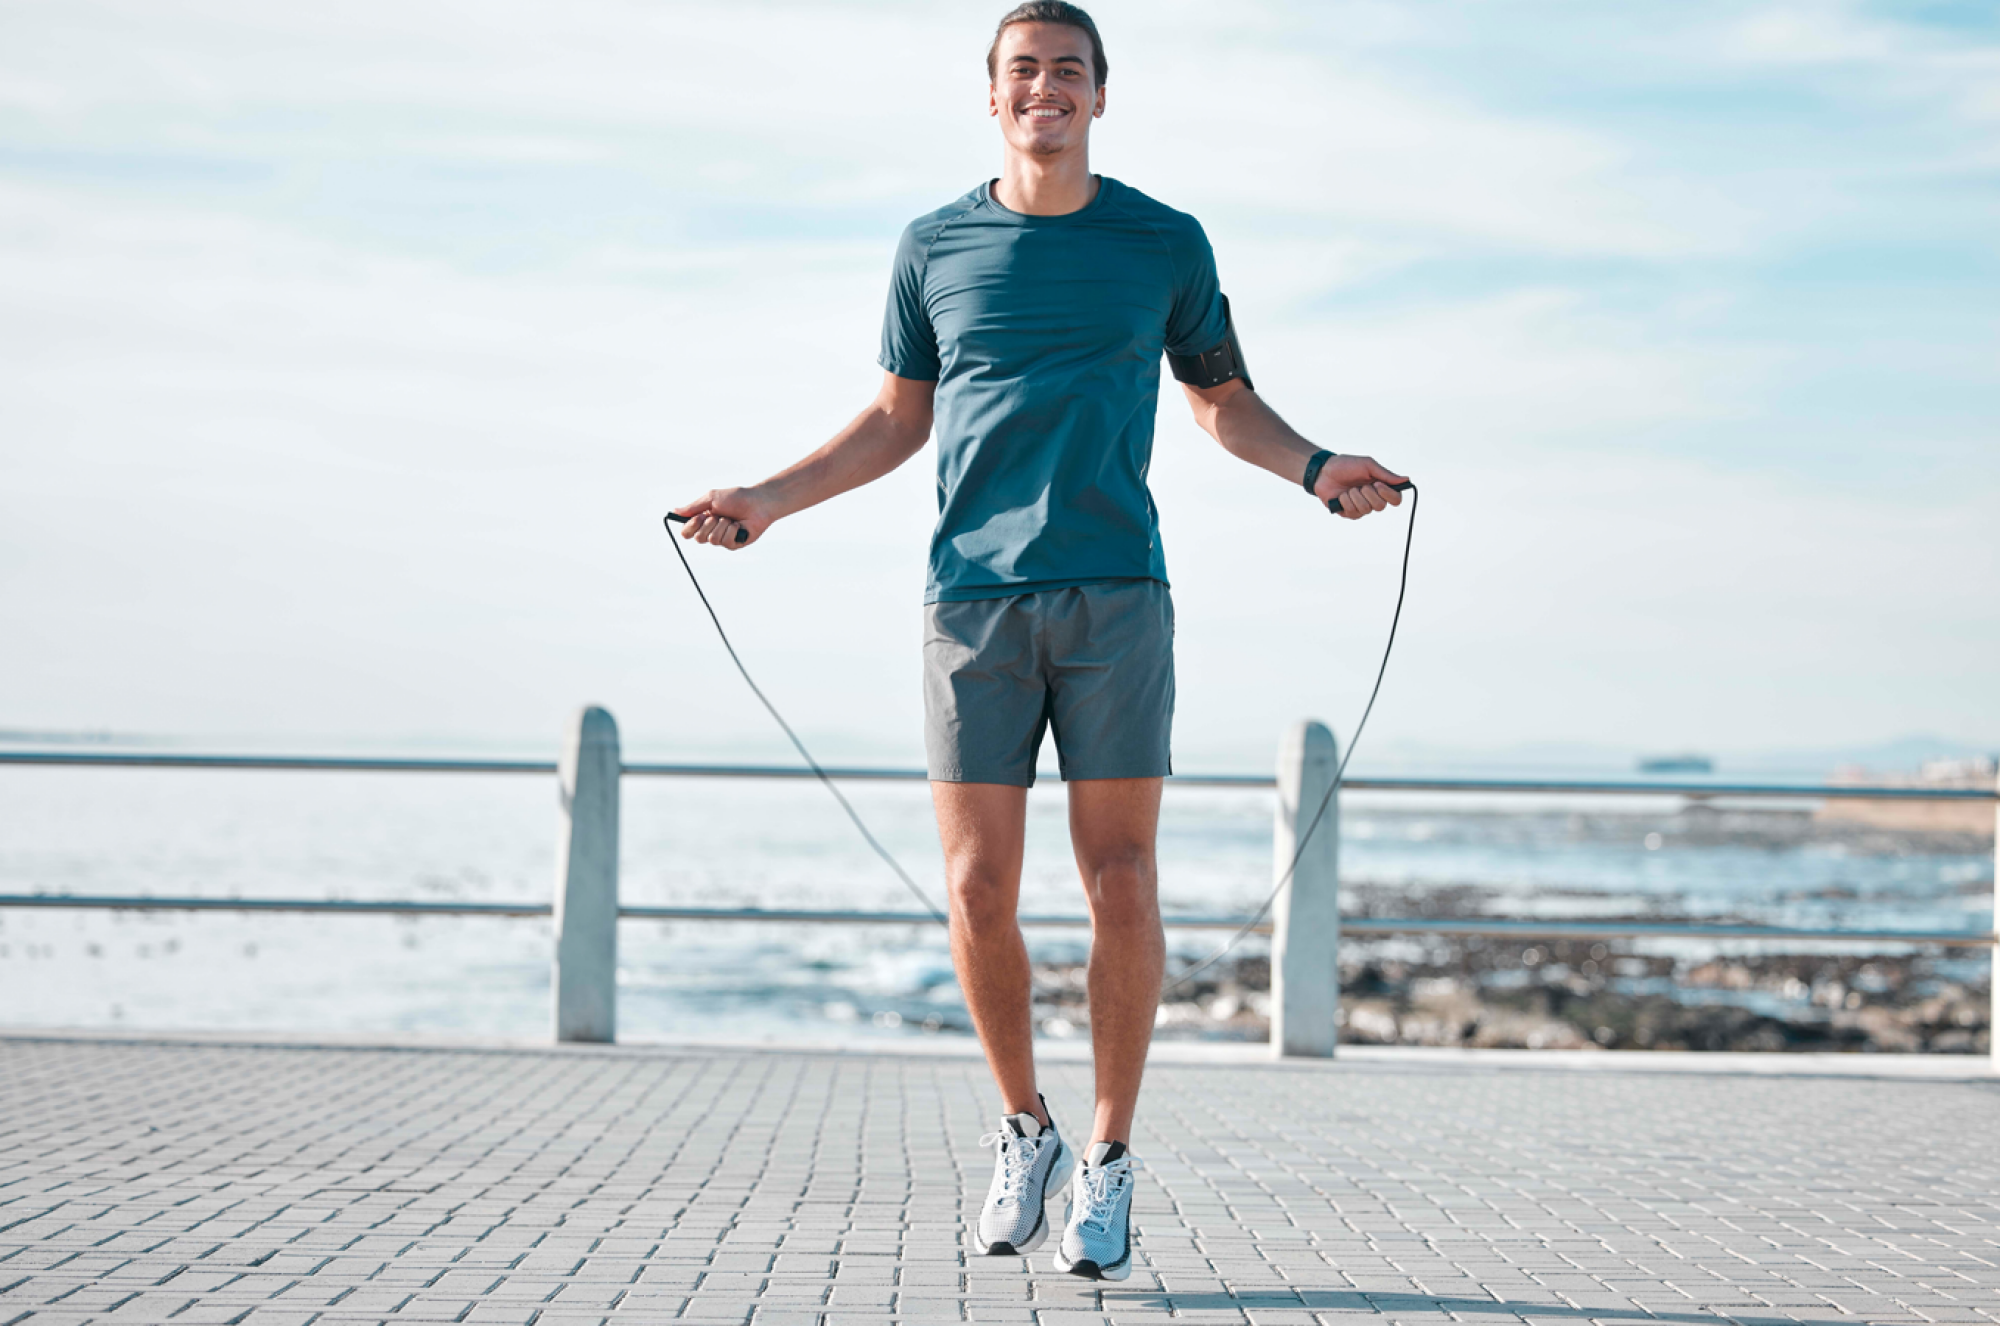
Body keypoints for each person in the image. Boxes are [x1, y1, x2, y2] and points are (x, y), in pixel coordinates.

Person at [672, 0, 1406, 1282]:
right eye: (1023, 70)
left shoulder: (1163, 241)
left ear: (1099, 95)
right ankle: (1027, 1129)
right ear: (992, 95)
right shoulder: (932, 246)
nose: (1044, 88)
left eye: (1068, 69)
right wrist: (767, 500)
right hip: (970, 600)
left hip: (1116, 594)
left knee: (1119, 879)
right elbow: (894, 419)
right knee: (975, 891)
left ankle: (1108, 1157)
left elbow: (1221, 401)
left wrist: (1314, 467)